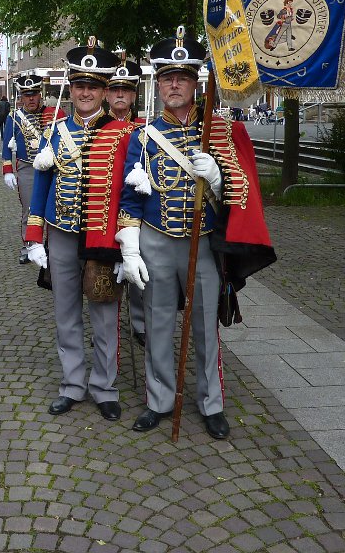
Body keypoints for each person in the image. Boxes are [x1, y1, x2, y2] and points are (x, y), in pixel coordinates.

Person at [117, 30, 275, 439]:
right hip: (155, 241)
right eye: (167, 78)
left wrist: (218, 179)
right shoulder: (142, 136)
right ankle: (159, 400)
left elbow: (240, 192)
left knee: (206, 325)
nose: (174, 85)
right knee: (157, 324)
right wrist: (130, 248)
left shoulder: (217, 132)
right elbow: (129, 196)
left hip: (203, 242)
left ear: (195, 84)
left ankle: (211, 403)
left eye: (182, 79)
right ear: (158, 85)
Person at [24, 40, 129, 422]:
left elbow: (128, 193)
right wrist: (34, 237)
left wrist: (128, 245)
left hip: (103, 236)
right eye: (79, 86)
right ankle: (71, 384)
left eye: (93, 87)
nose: (85, 93)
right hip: (63, 233)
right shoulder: (55, 132)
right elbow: (40, 187)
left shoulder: (122, 134)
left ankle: (104, 387)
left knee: (104, 313)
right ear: (70, 89)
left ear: (104, 90)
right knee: (66, 312)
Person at [104, 58, 147, 347]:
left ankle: (140, 323)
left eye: (126, 90)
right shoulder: (97, 126)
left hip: (135, 209)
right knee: (105, 272)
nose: (120, 95)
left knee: (139, 268)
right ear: (107, 94)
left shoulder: (146, 127)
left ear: (133, 95)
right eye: (115, 90)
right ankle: (105, 327)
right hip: (106, 210)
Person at [2, 74, 66, 264]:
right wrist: (7, 170)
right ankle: (29, 245)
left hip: (53, 167)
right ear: (21, 97)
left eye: (34, 94)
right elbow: (6, 145)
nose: (30, 99)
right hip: (27, 168)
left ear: (40, 95)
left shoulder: (55, 114)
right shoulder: (14, 117)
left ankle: (53, 245)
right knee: (29, 209)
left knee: (56, 205)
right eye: (26, 95)